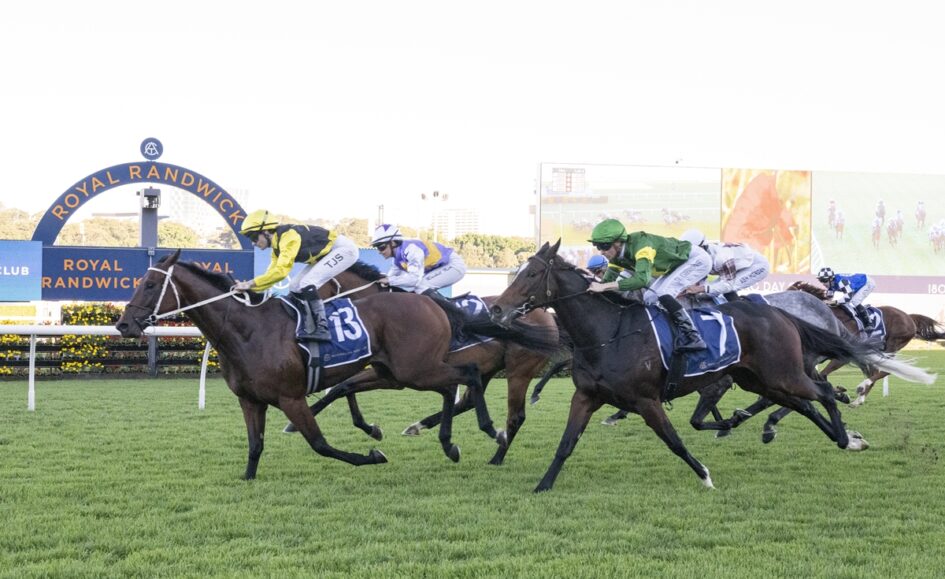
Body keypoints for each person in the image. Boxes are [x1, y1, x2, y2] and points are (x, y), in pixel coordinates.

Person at [232, 209, 360, 341]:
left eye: (253, 237)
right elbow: (271, 274)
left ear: (266, 231)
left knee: (307, 283)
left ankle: (323, 328)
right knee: (294, 286)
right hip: (326, 255)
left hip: (344, 250)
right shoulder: (276, 248)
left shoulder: (289, 237)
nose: (253, 243)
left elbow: (281, 272)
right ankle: (307, 325)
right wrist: (249, 288)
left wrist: (250, 284)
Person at [587, 218, 712, 352]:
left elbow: (641, 280)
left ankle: (694, 337)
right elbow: (606, 282)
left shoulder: (642, 245)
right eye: (598, 247)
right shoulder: (616, 257)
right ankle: (668, 333)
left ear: (618, 242)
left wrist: (603, 287)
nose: (601, 252)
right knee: (649, 298)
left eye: (604, 246)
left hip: (696, 259)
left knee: (664, 293)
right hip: (676, 266)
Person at [370, 224, 467, 305]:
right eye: (377, 248)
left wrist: (388, 280)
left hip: (454, 264)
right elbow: (390, 278)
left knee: (421, 285)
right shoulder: (397, 260)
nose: (379, 252)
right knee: (416, 289)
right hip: (442, 266)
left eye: (381, 247)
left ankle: (452, 313)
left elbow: (413, 280)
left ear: (393, 242)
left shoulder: (411, 250)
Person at [679, 229, 770, 302]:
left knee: (727, 289)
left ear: (703, 246)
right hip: (736, 265)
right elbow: (700, 276)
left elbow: (728, 285)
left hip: (756, 266)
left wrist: (699, 289)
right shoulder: (704, 253)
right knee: (709, 291)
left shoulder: (721, 258)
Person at [816, 267, 876, 331]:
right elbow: (828, 299)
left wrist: (834, 302)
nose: (823, 283)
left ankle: (868, 323)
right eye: (821, 280)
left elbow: (847, 298)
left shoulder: (842, 282)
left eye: (824, 280)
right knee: (849, 304)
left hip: (867, 283)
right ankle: (860, 311)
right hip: (855, 286)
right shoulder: (831, 284)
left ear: (831, 279)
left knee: (855, 301)